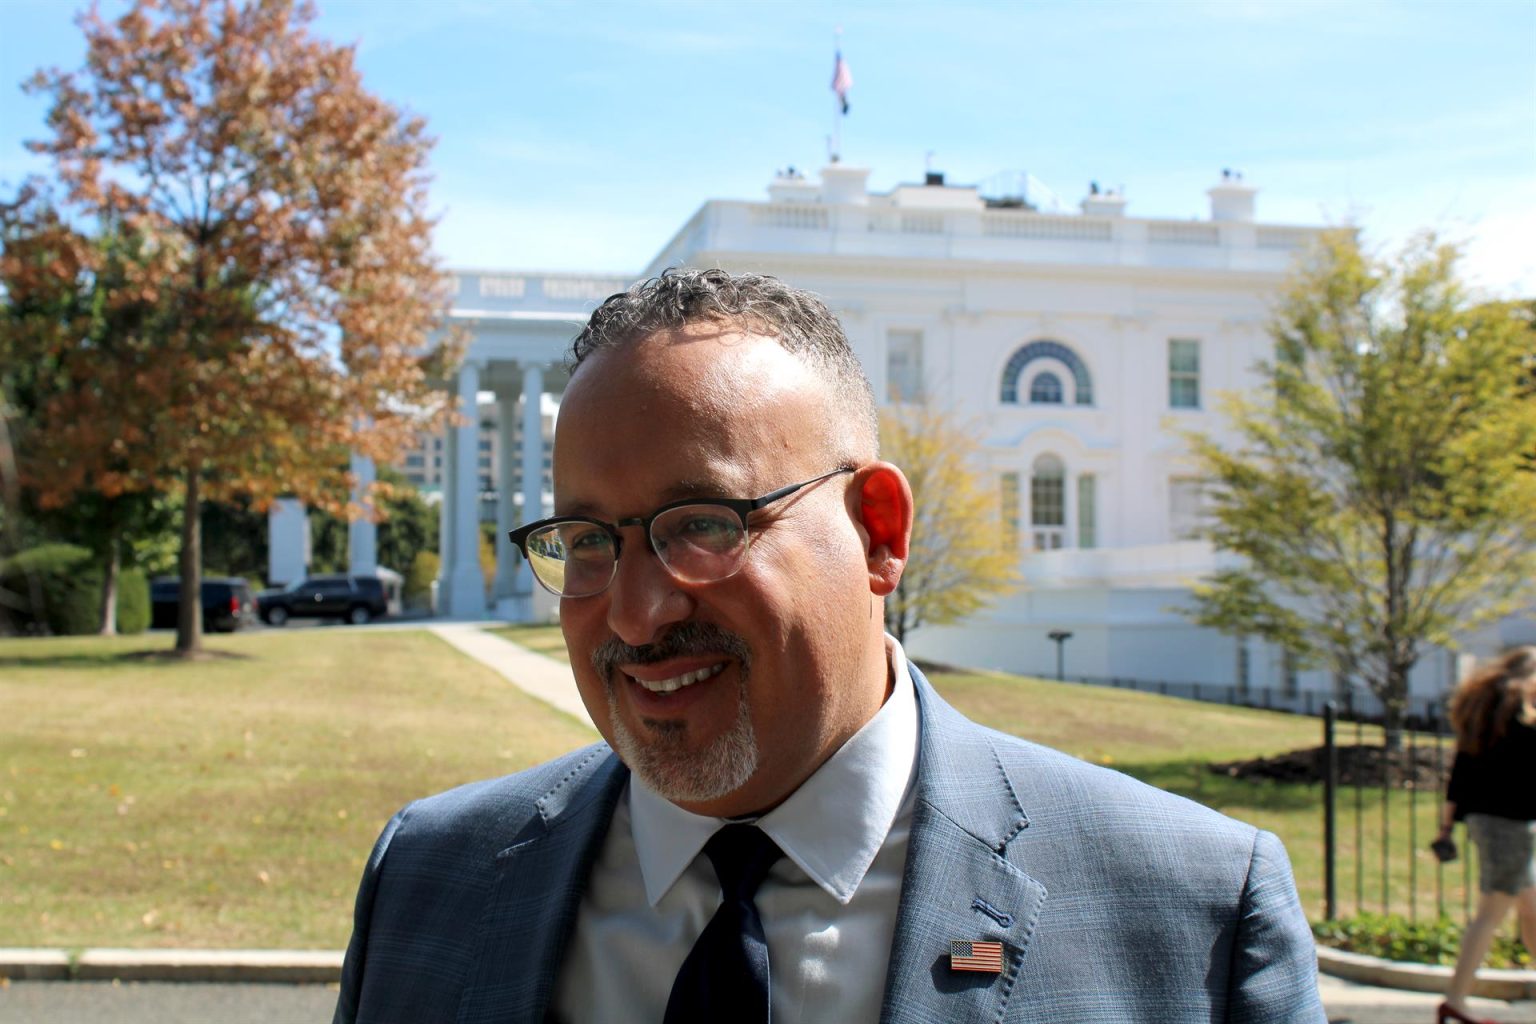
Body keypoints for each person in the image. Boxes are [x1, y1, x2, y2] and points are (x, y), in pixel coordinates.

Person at [334, 269, 1325, 1023]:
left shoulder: (1193, 914)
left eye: (704, 522)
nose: (637, 614)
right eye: (589, 541)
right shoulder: (428, 880)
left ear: (880, 532)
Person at [1434, 647, 1536, 1024]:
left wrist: (1445, 828)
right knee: (1491, 914)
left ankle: (1455, 1000)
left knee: (1531, 911)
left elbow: (1458, 781)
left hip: (1488, 826)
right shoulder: (1523, 726)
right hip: (1510, 830)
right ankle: (1456, 1000)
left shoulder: (1480, 720)